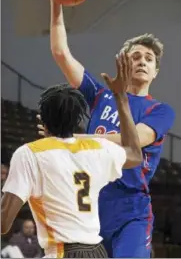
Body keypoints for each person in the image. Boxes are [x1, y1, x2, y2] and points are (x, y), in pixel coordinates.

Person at [47, 0, 175, 258]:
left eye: (149, 59)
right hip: (89, 203)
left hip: (130, 207)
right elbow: (61, 53)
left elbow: (134, 141)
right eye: (136, 56)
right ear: (123, 63)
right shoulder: (99, 95)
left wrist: (72, 138)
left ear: (155, 72)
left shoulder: (159, 110)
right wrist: (55, 1)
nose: (142, 61)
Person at [1, 56, 143, 259]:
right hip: (97, 252)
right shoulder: (97, 148)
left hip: (62, 252)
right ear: (77, 121)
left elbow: (3, 224)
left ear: (43, 119)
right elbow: (134, 153)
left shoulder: (30, 153)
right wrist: (120, 97)